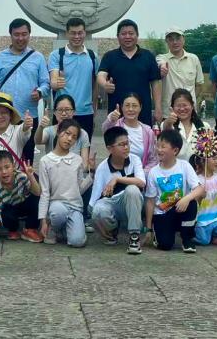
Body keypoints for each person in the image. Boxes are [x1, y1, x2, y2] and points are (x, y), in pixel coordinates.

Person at [0, 18, 50, 163]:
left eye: (24, 34)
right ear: (10, 35)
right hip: (4, 116)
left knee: (27, 157)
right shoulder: (0, 57)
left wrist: (40, 92)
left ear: (29, 34)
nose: (20, 38)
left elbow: (46, 83)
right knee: (2, 157)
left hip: (28, 116)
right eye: (16, 34)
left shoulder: (38, 57)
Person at [145, 129, 205, 252]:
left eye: (163, 147)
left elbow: (199, 189)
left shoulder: (184, 166)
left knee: (191, 203)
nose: (159, 150)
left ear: (175, 150)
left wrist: (186, 198)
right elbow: (150, 202)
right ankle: (160, 234)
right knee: (165, 245)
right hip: (162, 213)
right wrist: (148, 229)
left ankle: (187, 239)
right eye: (157, 146)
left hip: (180, 209)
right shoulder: (153, 172)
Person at [38, 119, 95, 247]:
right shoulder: (45, 161)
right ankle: (53, 227)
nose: (69, 139)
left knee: (77, 242)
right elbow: (45, 193)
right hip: (55, 205)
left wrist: (91, 173)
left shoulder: (77, 160)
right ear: (59, 132)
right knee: (58, 211)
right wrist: (43, 221)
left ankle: (65, 230)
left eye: (74, 137)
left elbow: (78, 189)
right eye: (67, 133)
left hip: (74, 207)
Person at [90, 126, 146, 254]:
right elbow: (94, 200)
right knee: (98, 210)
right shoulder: (103, 168)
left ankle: (134, 236)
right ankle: (112, 231)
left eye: (127, 143)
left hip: (134, 203)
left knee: (132, 190)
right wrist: (97, 223)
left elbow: (141, 182)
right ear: (110, 148)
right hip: (114, 204)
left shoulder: (134, 160)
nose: (126, 147)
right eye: (121, 145)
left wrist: (117, 179)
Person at [98, 19, 162, 125]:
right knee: (116, 136)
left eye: (131, 33)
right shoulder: (110, 56)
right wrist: (105, 85)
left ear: (137, 35)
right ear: (118, 36)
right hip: (117, 113)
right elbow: (101, 75)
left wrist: (158, 107)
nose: (127, 36)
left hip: (142, 113)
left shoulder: (148, 56)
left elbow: (156, 83)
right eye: (123, 34)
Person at [48, 17, 100, 140]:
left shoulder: (93, 57)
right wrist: (55, 83)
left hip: (85, 113)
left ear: (84, 33)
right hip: (62, 114)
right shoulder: (57, 55)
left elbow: (95, 85)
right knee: (60, 148)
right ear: (67, 33)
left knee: (84, 149)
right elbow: (53, 79)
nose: (77, 36)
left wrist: (94, 107)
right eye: (73, 33)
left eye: (80, 33)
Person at [0, 152, 43, 245]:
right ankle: (13, 230)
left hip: (25, 204)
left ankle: (30, 229)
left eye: (7, 167)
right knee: (5, 211)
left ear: (14, 166)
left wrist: (31, 176)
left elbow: (37, 192)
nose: (4, 172)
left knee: (36, 198)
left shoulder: (21, 177)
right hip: (12, 210)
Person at [99, 93, 157, 169]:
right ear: (122, 107)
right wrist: (111, 120)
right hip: (117, 171)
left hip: (140, 173)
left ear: (140, 108)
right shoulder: (116, 125)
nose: (130, 109)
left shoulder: (148, 132)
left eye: (134, 106)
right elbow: (105, 131)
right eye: (127, 105)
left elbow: (153, 160)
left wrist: (141, 173)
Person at [156, 27, 204, 112]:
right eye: (171, 39)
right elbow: (161, 62)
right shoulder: (162, 58)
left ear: (183, 40)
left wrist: (189, 100)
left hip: (189, 112)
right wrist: (162, 67)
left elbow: (199, 85)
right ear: (166, 41)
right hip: (168, 112)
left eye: (178, 38)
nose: (175, 42)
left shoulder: (194, 59)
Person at [0, 92, 34, 165]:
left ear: (10, 115)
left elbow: (24, 129)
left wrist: (26, 124)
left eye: (4, 113)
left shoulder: (18, 131)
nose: (0, 116)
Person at [38, 94, 91, 162]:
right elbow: (38, 141)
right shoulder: (49, 131)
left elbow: (84, 163)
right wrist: (41, 127)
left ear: (73, 111)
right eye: (60, 110)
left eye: (67, 109)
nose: (63, 113)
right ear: (54, 112)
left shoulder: (82, 133)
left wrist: (90, 166)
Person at [191, 152, 217, 246]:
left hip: (216, 217)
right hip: (202, 219)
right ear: (203, 161)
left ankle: (214, 234)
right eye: (214, 159)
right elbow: (194, 202)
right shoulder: (197, 180)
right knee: (204, 241)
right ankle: (192, 234)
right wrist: (200, 196)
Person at [162, 88, 211, 160]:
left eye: (185, 105)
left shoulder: (205, 126)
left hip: (198, 166)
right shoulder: (168, 125)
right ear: (172, 108)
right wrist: (169, 122)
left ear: (192, 106)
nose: (182, 109)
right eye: (178, 106)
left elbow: (209, 153)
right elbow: (165, 130)